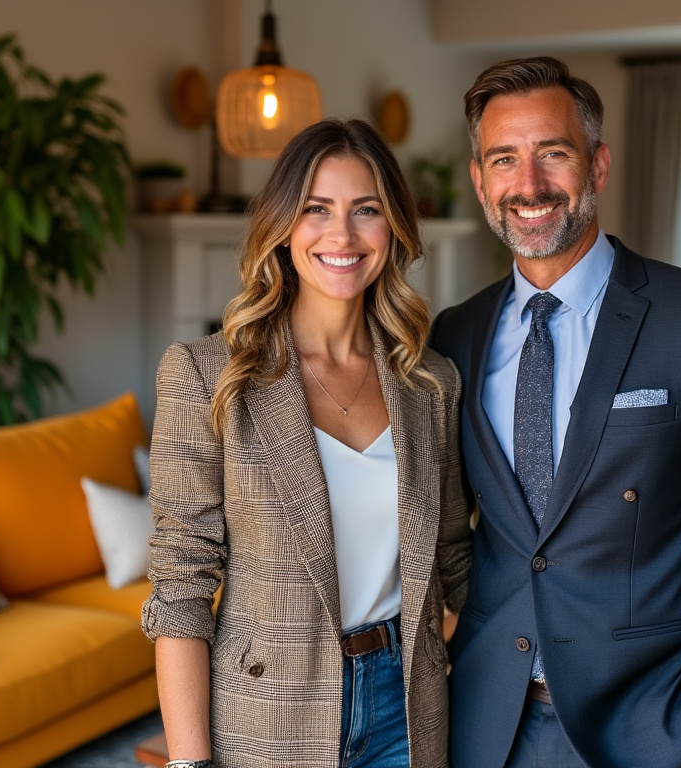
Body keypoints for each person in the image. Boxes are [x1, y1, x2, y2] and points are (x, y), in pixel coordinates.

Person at [430, 57, 681, 768]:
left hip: (646, 728)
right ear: (481, 181)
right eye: (504, 160)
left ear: (598, 165)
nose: (530, 184)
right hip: (484, 722)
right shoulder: (453, 335)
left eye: (554, 153)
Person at [142, 118, 472, 768]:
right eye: (316, 209)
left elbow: (454, 555)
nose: (342, 235)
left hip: (408, 705)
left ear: (393, 227)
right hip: (267, 710)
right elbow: (180, 586)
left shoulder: (431, 381)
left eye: (366, 210)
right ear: (282, 226)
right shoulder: (206, 373)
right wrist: (188, 764)